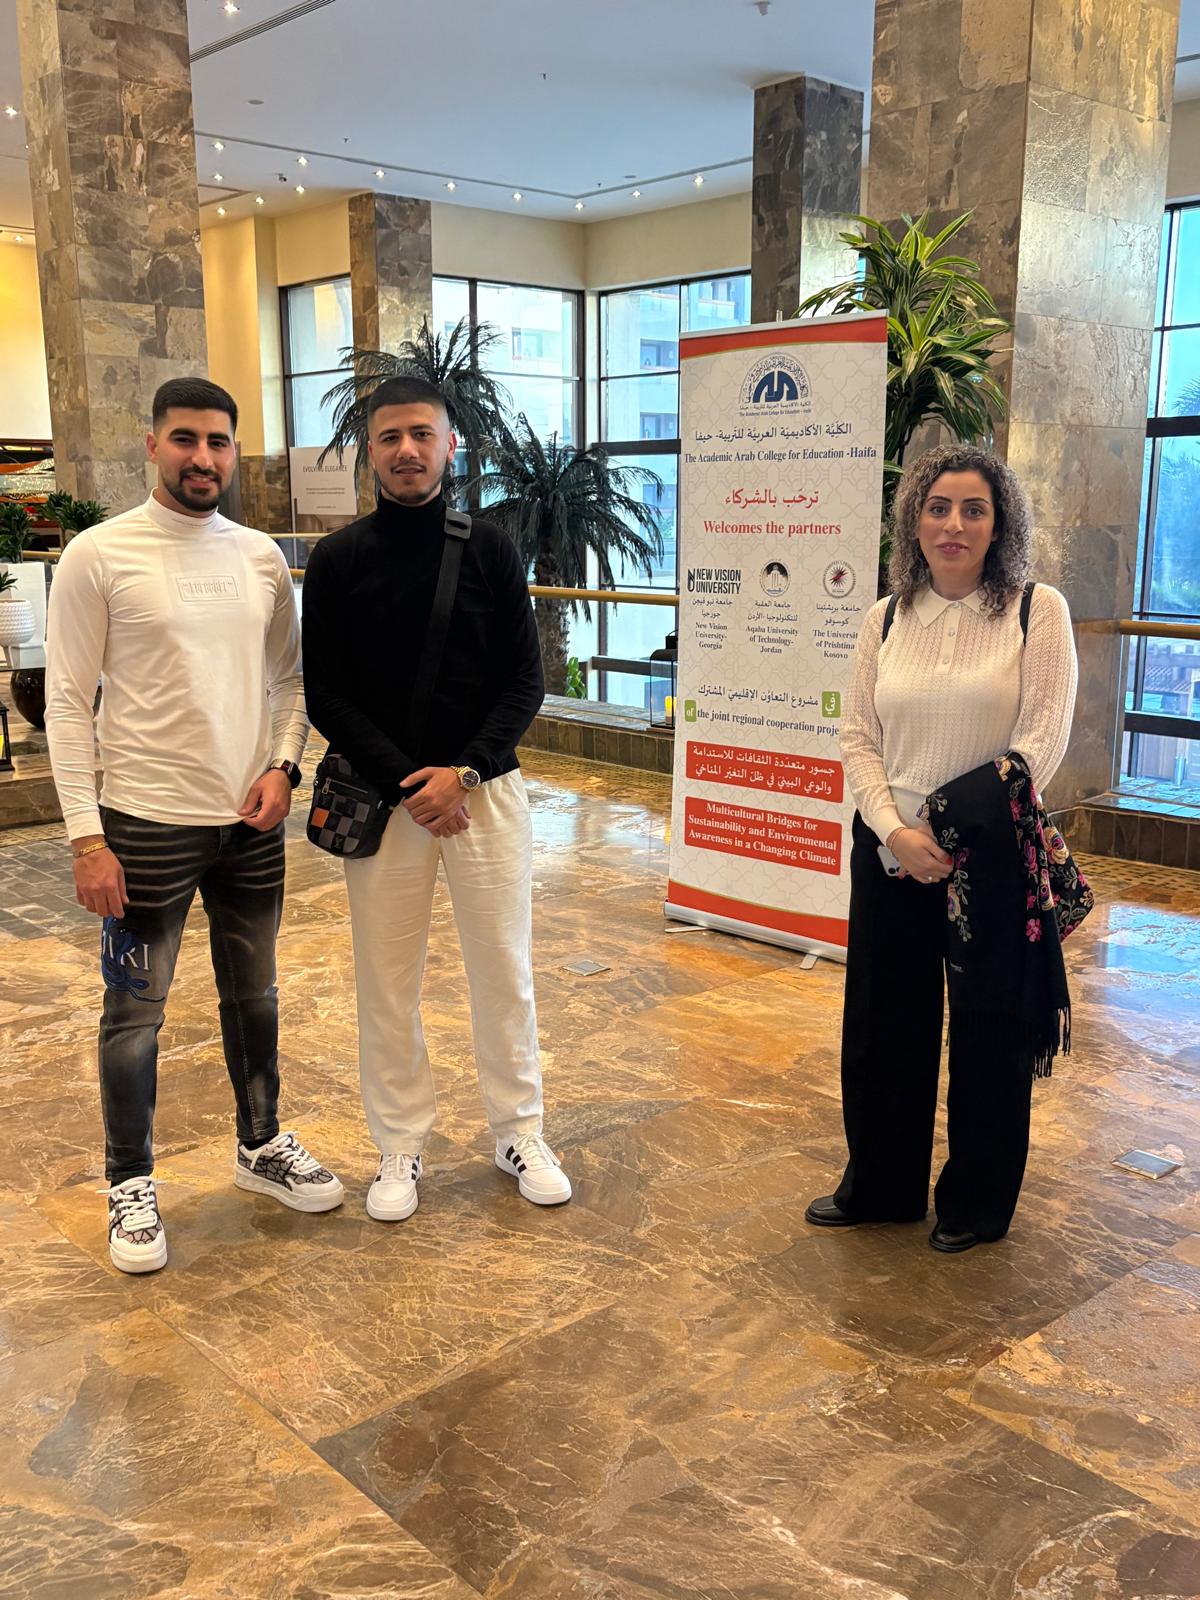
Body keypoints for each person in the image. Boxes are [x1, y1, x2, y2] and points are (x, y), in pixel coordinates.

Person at [44, 377, 343, 1275]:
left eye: (217, 442)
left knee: (255, 995)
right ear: (152, 445)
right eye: (185, 439)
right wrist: (86, 837)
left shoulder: (259, 557)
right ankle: (129, 1181)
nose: (202, 458)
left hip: (249, 824)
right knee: (134, 1013)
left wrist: (284, 767)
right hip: (144, 826)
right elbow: (67, 702)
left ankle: (261, 1142)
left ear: (232, 451)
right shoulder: (100, 554)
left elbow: (289, 680)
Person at [302, 375, 571, 1220]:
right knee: (387, 981)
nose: (407, 450)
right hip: (385, 802)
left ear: (451, 445)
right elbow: (325, 693)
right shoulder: (339, 560)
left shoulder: (490, 548)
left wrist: (465, 773)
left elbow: (525, 680)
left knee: (503, 970)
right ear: (369, 451)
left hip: (484, 792)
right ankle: (400, 1144)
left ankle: (519, 1130)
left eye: (422, 434)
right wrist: (409, 784)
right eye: (389, 437)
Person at [805, 444, 1078, 1252]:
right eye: (938, 507)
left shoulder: (1036, 611)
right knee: (884, 1020)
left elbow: (1042, 737)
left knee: (991, 1028)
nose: (954, 524)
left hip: (990, 852)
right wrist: (895, 830)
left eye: (974, 510)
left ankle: (976, 1202)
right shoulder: (884, 618)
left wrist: (955, 828)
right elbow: (858, 737)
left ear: (1000, 525)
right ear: (915, 521)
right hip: (892, 851)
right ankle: (882, 1185)